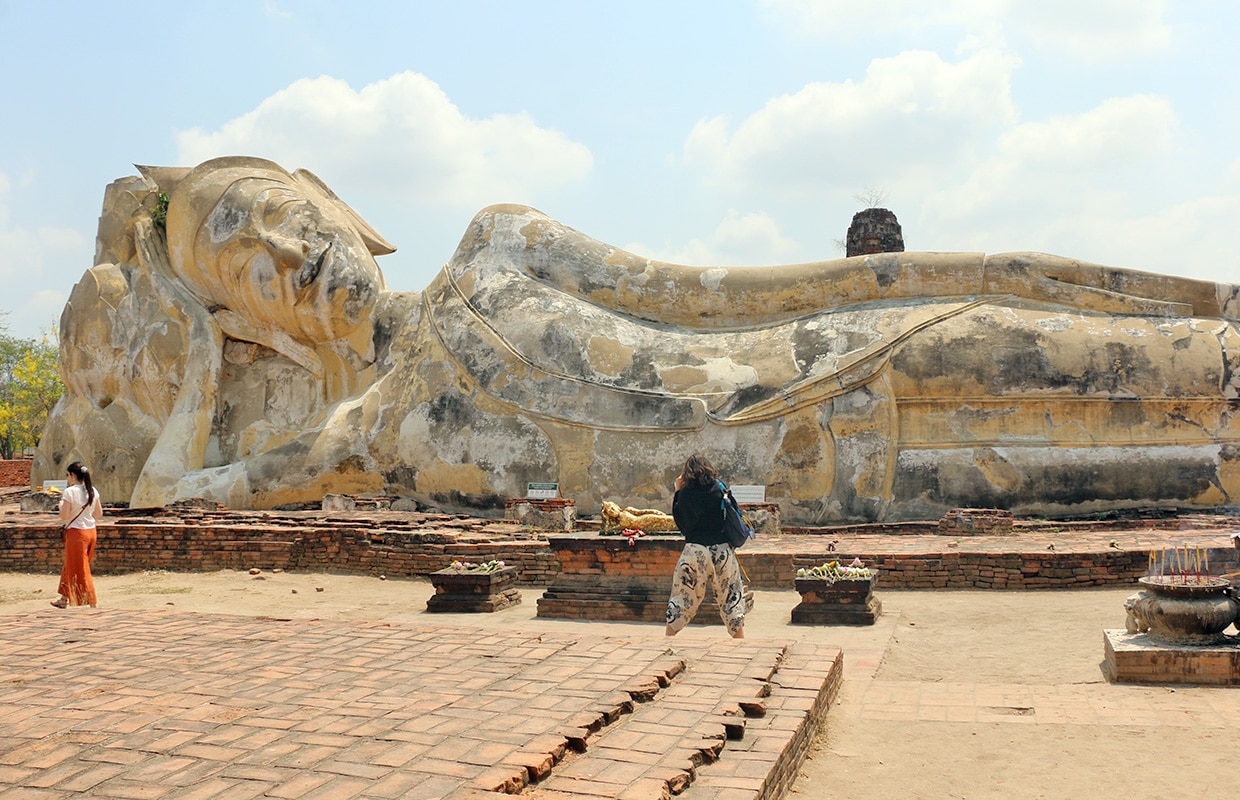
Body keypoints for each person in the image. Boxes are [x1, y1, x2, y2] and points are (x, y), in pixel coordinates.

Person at [665, 453, 746, 638]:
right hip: (721, 549)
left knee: (683, 595)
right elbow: (734, 512)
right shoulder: (719, 488)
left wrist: (677, 491)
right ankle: (740, 641)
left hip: (695, 550)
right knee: (731, 595)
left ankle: (668, 638)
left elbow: (682, 525)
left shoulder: (685, 494)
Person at [52, 462, 102, 608]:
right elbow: (99, 514)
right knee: (70, 565)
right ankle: (63, 598)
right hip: (91, 531)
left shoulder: (70, 492)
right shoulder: (92, 490)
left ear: (72, 475)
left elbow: (63, 516)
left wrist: (61, 506)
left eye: (68, 475)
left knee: (81, 568)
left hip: (77, 533)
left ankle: (92, 600)